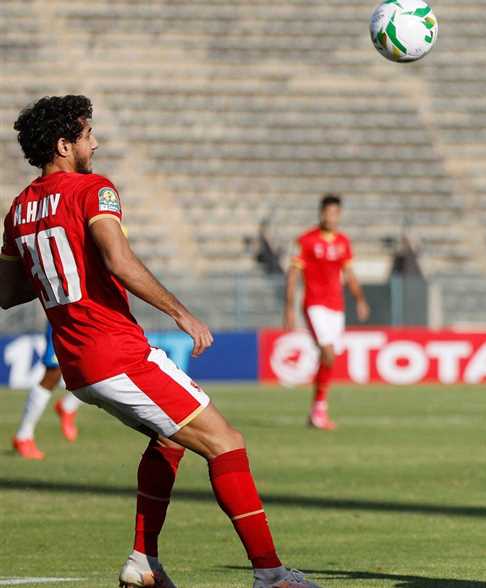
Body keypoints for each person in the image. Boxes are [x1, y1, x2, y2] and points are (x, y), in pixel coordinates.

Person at [0, 95, 319, 588]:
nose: (95, 144)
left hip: (78, 363)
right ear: (64, 145)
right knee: (226, 443)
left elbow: (6, 294)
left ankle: (143, 563)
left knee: (170, 438)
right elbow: (118, 260)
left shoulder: (19, 209)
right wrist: (181, 312)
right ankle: (271, 574)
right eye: (87, 135)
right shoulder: (93, 189)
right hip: (115, 351)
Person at [283, 194, 369, 430]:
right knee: (328, 353)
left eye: (334, 213)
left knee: (329, 358)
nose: (330, 217)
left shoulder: (343, 241)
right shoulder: (306, 240)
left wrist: (360, 299)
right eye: (327, 212)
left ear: (339, 215)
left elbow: (349, 274)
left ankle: (316, 410)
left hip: (336, 307)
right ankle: (320, 410)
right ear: (321, 213)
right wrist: (289, 308)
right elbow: (293, 275)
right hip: (314, 304)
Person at [12, 323, 82, 460]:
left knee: (96, 368)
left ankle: (68, 405)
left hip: (88, 322)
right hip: (62, 321)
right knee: (53, 373)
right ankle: (23, 436)